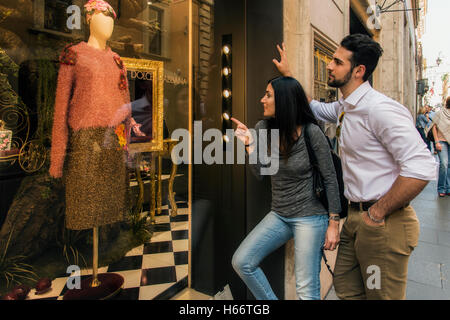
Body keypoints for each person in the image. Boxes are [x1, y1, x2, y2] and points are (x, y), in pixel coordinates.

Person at [274, 34, 436, 300]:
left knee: (379, 295)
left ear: (359, 71)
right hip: (356, 219)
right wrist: (289, 75)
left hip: (383, 224)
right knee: (348, 290)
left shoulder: (379, 110)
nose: (328, 65)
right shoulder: (345, 107)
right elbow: (311, 107)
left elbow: (421, 167)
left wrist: (376, 214)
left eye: (337, 62)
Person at [231, 76, 341, 300]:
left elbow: (330, 178)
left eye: (268, 95)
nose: (262, 100)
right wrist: (249, 144)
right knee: (242, 262)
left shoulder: (311, 133)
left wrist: (333, 223)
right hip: (280, 214)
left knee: (306, 289)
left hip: (310, 216)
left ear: (284, 100)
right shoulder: (263, 128)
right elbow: (260, 172)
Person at [431, 97, 450, 197]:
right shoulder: (440, 113)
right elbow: (434, 127)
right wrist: (436, 141)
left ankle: (448, 188)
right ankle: (441, 188)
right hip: (441, 142)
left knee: (449, 165)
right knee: (444, 164)